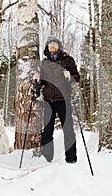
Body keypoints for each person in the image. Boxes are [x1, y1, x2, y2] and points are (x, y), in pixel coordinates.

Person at [33, 36, 80, 164]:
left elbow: (77, 77)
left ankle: (71, 159)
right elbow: (43, 81)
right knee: (47, 131)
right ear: (47, 47)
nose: (52, 46)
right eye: (50, 44)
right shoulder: (44, 63)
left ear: (59, 46)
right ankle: (47, 159)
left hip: (63, 99)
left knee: (68, 130)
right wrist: (38, 79)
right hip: (48, 100)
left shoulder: (68, 60)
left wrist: (70, 76)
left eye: (55, 44)